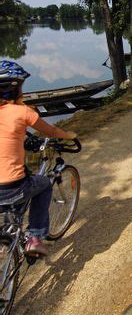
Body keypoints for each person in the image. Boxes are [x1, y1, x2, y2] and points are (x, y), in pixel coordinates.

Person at [0, 60, 77, 257]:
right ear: (15, 88)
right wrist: (68, 135)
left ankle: (12, 232)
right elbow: (50, 130)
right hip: (12, 187)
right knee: (43, 184)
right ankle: (35, 236)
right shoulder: (22, 112)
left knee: (11, 205)